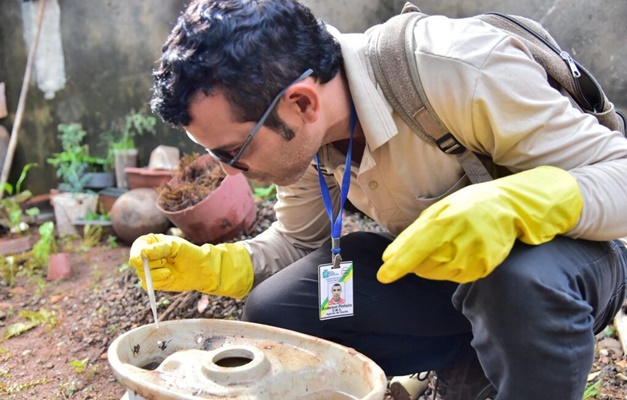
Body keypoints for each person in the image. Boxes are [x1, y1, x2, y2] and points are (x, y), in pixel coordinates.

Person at [129, 0, 627, 399]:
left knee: (515, 282)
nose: (228, 169)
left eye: (234, 151)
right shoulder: (306, 139)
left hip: (572, 267)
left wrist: (520, 203)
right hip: (451, 280)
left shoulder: (458, 69)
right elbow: (299, 242)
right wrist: (221, 267)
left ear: (301, 102)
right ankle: (469, 359)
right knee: (278, 313)